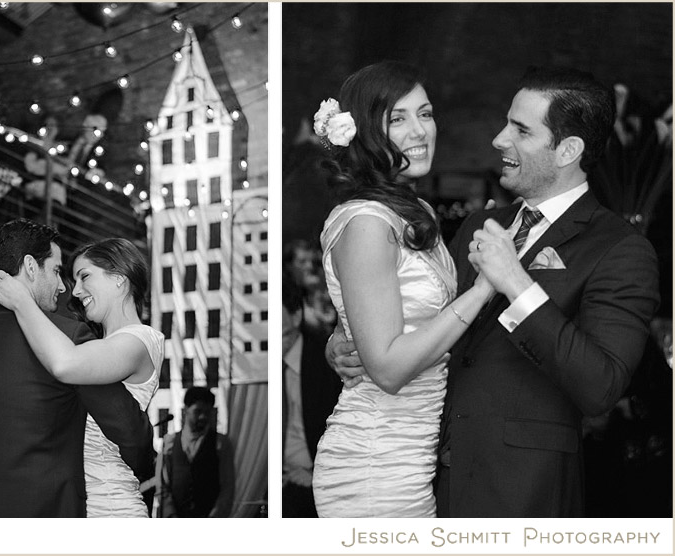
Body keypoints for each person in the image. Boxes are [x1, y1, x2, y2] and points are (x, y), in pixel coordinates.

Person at [331, 66, 660, 517]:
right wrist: (345, 337)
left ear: (568, 150)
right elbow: (414, 308)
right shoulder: (477, 225)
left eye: (520, 130)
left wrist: (517, 284)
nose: (499, 140)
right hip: (422, 477)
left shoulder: (620, 249)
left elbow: (601, 386)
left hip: (522, 492)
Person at [311, 61, 496, 518]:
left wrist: (341, 334)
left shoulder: (416, 211)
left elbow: (386, 308)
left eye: (426, 113)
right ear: (366, 132)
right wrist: (486, 287)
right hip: (373, 460)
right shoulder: (368, 223)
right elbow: (390, 371)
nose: (420, 131)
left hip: (414, 454)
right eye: (398, 119)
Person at [0, 219, 154, 517]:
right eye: (57, 271)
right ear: (31, 267)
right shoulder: (68, 338)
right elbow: (129, 431)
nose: (62, 288)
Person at [0, 236, 164, 518]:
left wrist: (23, 301)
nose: (76, 291)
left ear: (119, 278)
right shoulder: (103, 343)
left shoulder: (140, 340)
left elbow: (65, 364)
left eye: (84, 277)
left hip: (111, 508)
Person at [282, 272, 342, 517]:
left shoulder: (328, 362)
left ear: (295, 316)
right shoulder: (260, 366)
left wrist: (315, 474)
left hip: (318, 481)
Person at [156, 387, 235, 517]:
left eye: (207, 412)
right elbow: (163, 485)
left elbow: (227, 487)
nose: (203, 417)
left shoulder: (221, 443)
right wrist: (170, 515)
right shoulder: (169, 442)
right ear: (186, 410)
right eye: (198, 411)